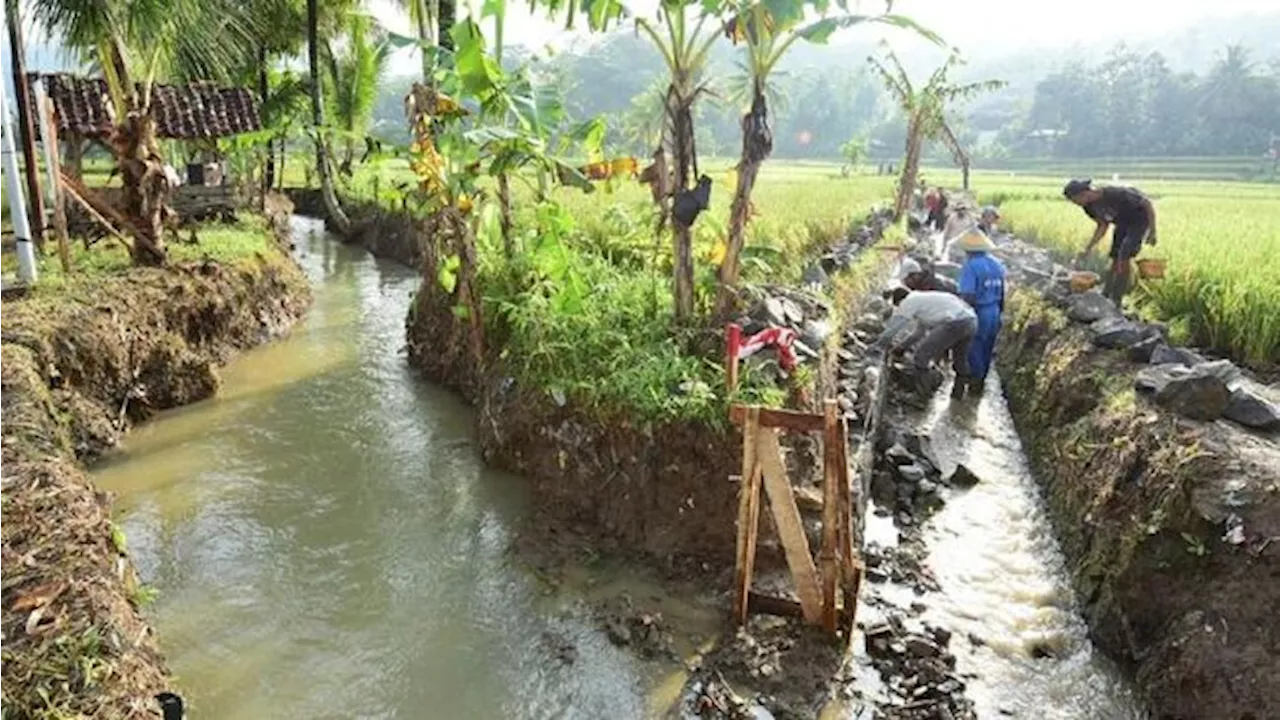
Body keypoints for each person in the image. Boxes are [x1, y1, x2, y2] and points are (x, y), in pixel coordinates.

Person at [1062, 178, 1158, 304]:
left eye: (1075, 200)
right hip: (1122, 223)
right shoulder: (1089, 207)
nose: (1077, 204)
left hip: (1138, 220)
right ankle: (1106, 293)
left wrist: (1152, 230)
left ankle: (1117, 298)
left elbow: (1147, 204)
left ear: (1084, 193)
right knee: (1114, 257)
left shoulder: (1115, 193)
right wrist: (1088, 248)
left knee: (1124, 255)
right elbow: (1102, 225)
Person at [872, 289, 977, 395]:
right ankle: (958, 393)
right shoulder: (923, 302)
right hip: (971, 320)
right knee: (960, 357)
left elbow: (894, 328)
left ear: (899, 301)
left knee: (921, 355)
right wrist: (901, 347)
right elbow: (919, 333)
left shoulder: (908, 301)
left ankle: (921, 396)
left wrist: (878, 345)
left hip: (956, 323)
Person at [956, 229, 1006, 398]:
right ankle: (980, 383)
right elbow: (1003, 293)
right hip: (995, 310)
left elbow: (968, 295)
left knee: (973, 347)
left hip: (979, 311)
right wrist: (1000, 315)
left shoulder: (971, 266)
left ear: (967, 250)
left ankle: (974, 384)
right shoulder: (997, 264)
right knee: (987, 347)